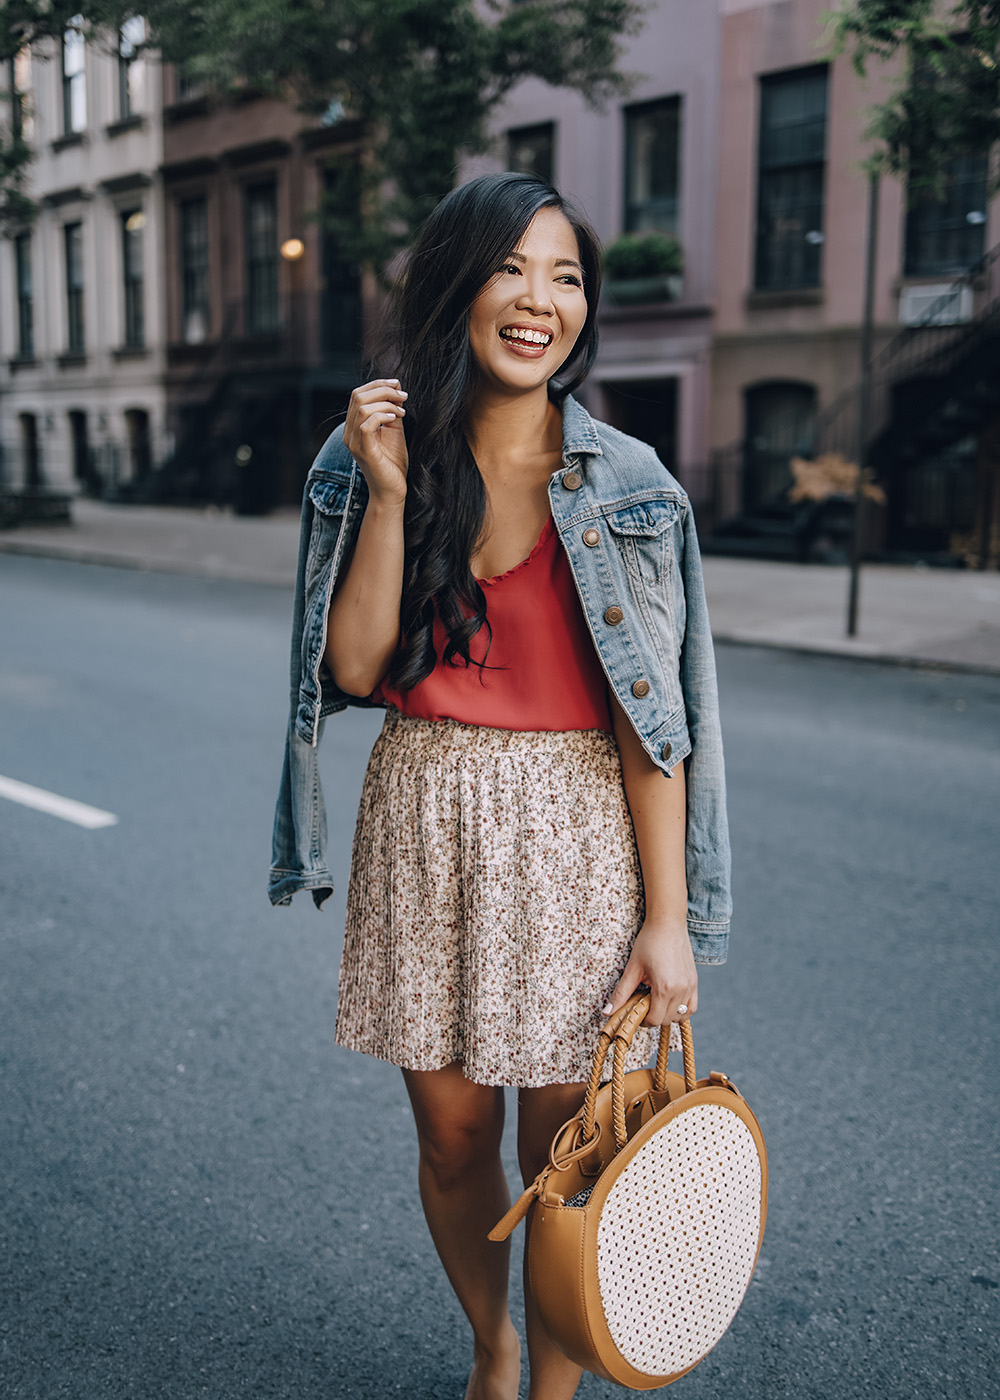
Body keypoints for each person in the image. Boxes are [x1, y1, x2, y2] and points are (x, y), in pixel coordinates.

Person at [269, 171, 731, 1400]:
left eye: (565, 276)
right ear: (455, 286)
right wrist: (387, 492)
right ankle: (492, 1343)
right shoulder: (370, 457)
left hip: (577, 830)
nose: (540, 300)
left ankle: (551, 1391)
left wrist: (669, 918)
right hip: (422, 816)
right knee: (452, 1134)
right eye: (512, 269)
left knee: (566, 1148)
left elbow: (658, 729)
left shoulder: (630, 484)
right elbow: (355, 667)